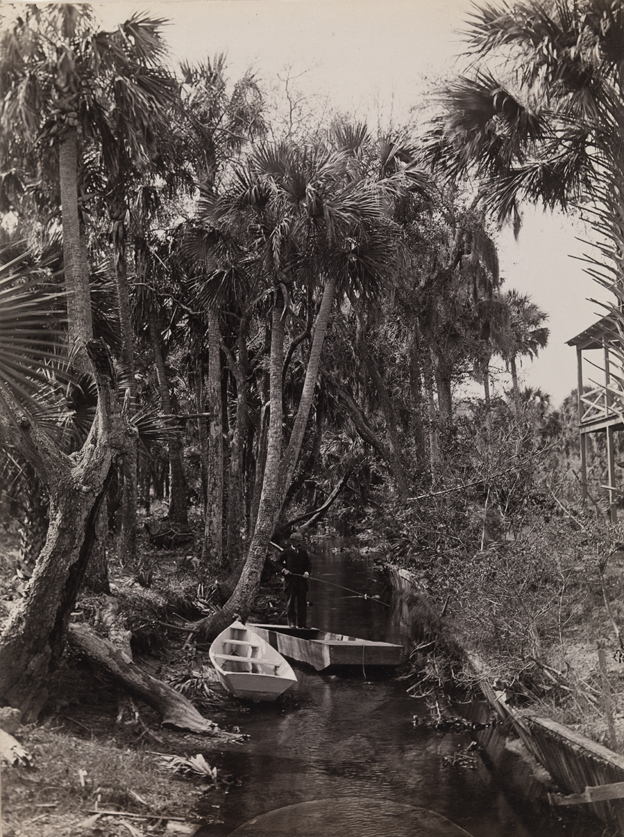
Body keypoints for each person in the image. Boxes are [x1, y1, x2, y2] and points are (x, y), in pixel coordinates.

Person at [279, 529, 311, 628]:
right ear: (292, 541)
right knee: (291, 603)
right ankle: (292, 624)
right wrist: (284, 570)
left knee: (302, 604)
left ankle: (302, 624)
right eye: (297, 541)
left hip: (301, 582)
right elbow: (277, 564)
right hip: (290, 582)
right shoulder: (286, 552)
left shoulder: (303, 552)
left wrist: (307, 572)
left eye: (300, 541)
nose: (299, 543)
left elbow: (308, 565)